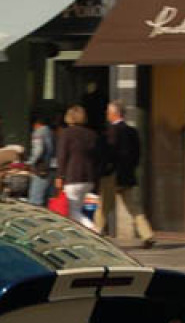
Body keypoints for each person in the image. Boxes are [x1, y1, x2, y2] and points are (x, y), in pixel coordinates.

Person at [95, 101, 156, 248]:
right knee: (134, 208)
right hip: (127, 175)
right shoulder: (132, 131)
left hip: (111, 176)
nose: (107, 115)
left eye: (108, 112)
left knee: (103, 207)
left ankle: (96, 233)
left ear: (114, 114)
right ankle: (147, 234)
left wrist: (102, 171)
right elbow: (137, 154)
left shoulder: (109, 132)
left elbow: (107, 154)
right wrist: (130, 169)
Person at [55, 104, 101, 231]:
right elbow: (97, 157)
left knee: (73, 211)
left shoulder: (66, 134)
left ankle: (93, 229)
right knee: (78, 209)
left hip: (73, 176)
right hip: (89, 178)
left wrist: (59, 175)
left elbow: (62, 156)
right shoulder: (92, 134)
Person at [27, 112, 56, 206]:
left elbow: (38, 150)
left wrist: (30, 162)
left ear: (36, 124)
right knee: (47, 199)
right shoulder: (51, 132)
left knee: (35, 200)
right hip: (51, 169)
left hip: (41, 169)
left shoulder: (39, 132)